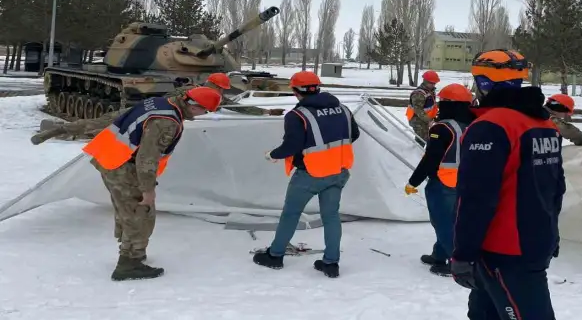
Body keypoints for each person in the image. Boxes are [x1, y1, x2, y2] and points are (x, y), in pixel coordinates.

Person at [450, 49, 565, 320]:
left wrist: (462, 253)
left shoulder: (491, 126)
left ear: (486, 82)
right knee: (483, 312)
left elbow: (475, 197)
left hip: (504, 249)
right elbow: (555, 186)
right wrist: (552, 230)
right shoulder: (544, 123)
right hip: (534, 239)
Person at [76, 87, 220, 281]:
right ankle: (129, 264)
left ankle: (131, 248)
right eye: (206, 110)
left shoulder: (159, 102)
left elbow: (115, 116)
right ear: (195, 107)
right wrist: (148, 190)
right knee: (141, 213)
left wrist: (69, 127)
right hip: (124, 168)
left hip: (109, 159)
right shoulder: (167, 122)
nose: (205, 114)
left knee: (126, 209)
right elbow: (146, 159)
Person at [253, 71, 360, 278]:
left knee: (291, 214)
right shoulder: (344, 109)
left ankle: (275, 256)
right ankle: (331, 263)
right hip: (338, 172)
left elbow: (291, 146)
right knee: (330, 216)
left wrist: (272, 155)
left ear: (295, 90)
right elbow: (353, 135)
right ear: (318, 88)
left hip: (310, 175)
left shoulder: (297, 115)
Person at [31, 73, 283, 144]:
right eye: (222, 90)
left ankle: (60, 129)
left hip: (145, 108)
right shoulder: (205, 95)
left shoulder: (195, 89)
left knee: (102, 123)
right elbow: (237, 110)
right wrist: (266, 113)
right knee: (108, 129)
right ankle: (61, 130)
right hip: (153, 117)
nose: (222, 95)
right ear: (216, 86)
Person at [404, 83, 476, 277]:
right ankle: (439, 255)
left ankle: (454, 262)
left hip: (442, 183)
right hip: (463, 182)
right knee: (451, 220)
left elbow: (431, 159)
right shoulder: (472, 125)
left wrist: (413, 182)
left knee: (443, 223)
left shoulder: (442, 128)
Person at [406, 70, 439, 146]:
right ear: (425, 81)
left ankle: (420, 153)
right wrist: (429, 120)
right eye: (432, 83)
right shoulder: (419, 94)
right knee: (422, 140)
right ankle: (416, 154)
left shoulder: (430, 91)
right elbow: (418, 111)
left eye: (434, 83)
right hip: (417, 120)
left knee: (425, 138)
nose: (434, 85)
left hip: (425, 119)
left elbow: (431, 105)